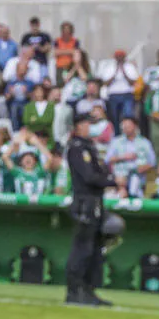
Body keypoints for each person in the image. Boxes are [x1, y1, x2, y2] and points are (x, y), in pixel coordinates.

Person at [65, 111, 117, 307]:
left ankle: (89, 290)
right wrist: (111, 181)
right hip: (85, 204)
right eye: (87, 123)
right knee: (82, 249)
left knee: (95, 250)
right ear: (78, 125)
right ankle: (75, 291)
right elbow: (89, 177)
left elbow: (98, 172)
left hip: (95, 203)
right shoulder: (77, 148)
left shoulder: (89, 147)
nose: (90, 127)